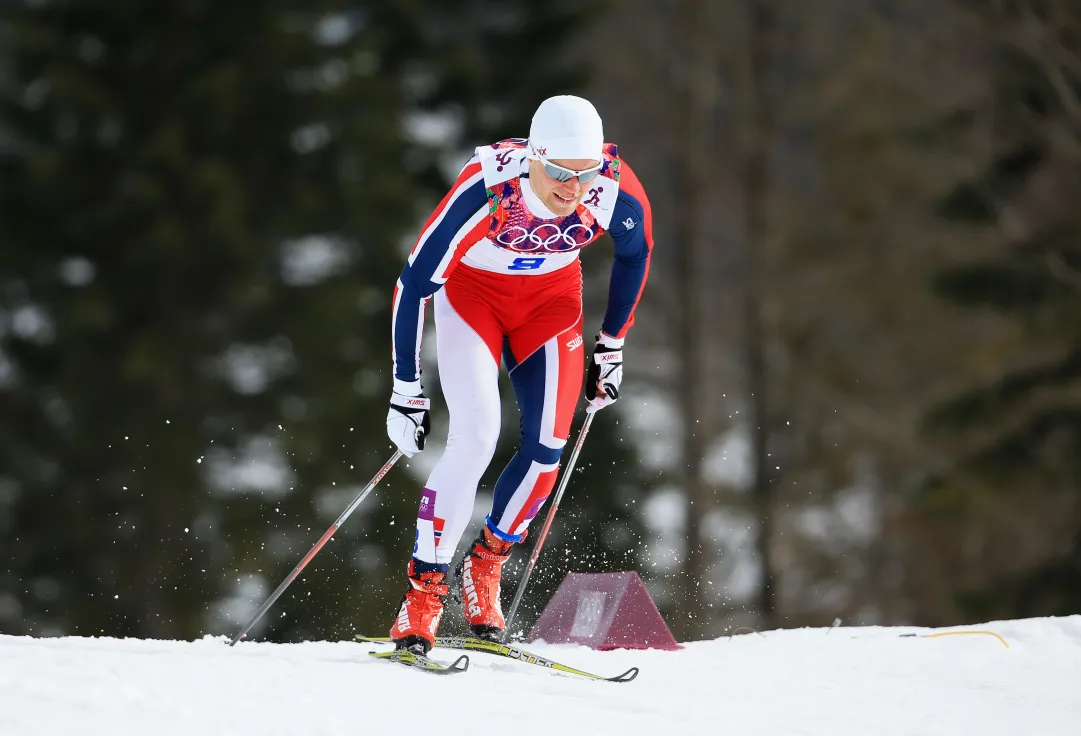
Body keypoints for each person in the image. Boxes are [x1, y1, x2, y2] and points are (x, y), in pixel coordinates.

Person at [384, 95, 654, 654]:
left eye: (585, 173)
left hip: (550, 304)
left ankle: (485, 566)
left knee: (548, 446)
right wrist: (405, 389)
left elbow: (637, 253)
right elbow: (413, 286)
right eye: (558, 172)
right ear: (533, 155)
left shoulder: (614, 188)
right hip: (473, 298)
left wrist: (612, 345)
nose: (571, 187)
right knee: (477, 436)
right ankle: (422, 597)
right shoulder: (485, 187)